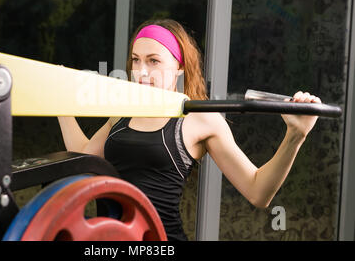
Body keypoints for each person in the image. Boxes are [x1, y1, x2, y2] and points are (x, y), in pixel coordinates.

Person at [57, 19, 321, 241]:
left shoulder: (200, 120)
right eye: (136, 60)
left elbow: (258, 191)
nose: (141, 71)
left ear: (179, 68)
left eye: (153, 61)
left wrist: (295, 136)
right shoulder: (122, 113)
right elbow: (83, 157)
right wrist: (59, 101)